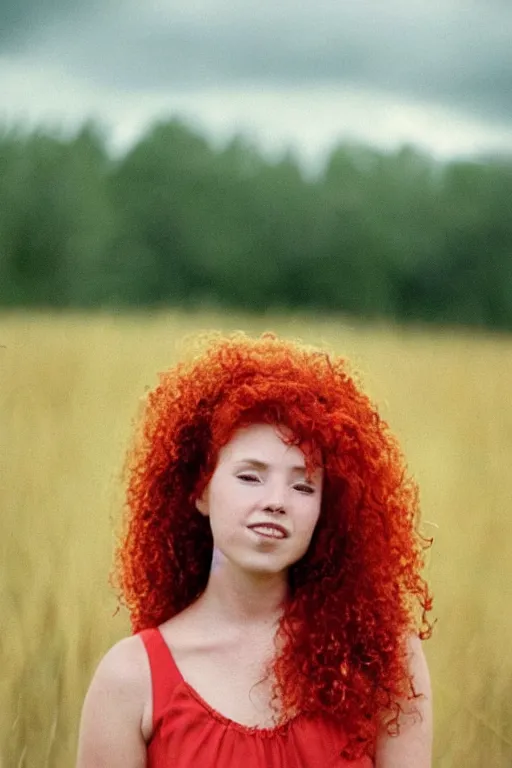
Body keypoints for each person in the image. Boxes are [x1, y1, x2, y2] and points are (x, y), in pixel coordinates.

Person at [76, 331, 434, 767]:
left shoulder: (381, 657)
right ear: (200, 490)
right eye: (250, 477)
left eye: (303, 485)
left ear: (328, 509)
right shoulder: (130, 678)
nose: (276, 501)